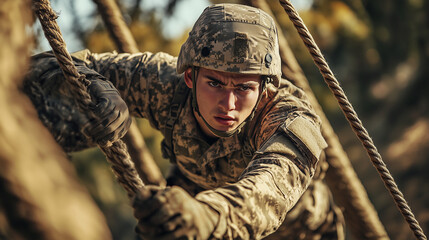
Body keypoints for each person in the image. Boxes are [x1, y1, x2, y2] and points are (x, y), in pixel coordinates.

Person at [24, 3, 345, 240]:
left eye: (244, 88)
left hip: (297, 232)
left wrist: (202, 217)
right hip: (191, 201)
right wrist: (95, 83)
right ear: (190, 76)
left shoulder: (290, 117)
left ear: (265, 89)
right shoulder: (163, 82)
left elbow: (266, 193)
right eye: (215, 83)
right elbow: (39, 69)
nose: (228, 104)